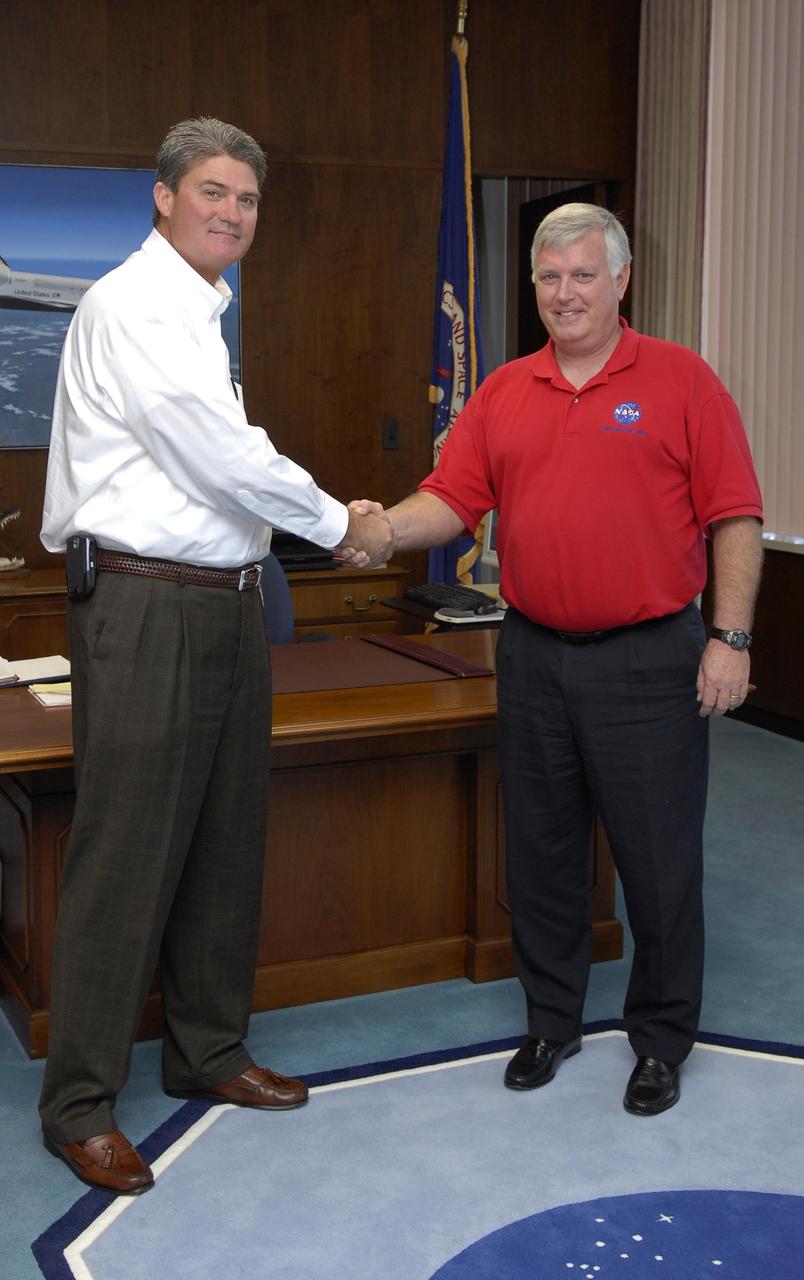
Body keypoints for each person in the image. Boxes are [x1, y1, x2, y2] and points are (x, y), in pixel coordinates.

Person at [39, 116, 393, 1195]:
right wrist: (344, 521)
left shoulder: (200, 312)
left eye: (246, 198)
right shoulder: (136, 304)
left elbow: (220, 473)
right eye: (212, 192)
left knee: (225, 841)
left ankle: (206, 1051)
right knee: (127, 853)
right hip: (149, 606)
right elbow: (218, 453)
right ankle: (81, 1102)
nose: (232, 212)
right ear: (162, 196)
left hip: (230, 602)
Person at [347, 203, 763, 1117]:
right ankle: (552, 1021)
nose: (564, 293)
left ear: (620, 281)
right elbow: (450, 500)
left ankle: (659, 1041)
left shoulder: (683, 381)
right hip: (533, 656)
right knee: (540, 849)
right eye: (548, 277)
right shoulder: (504, 390)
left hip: (651, 660)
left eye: (582, 274)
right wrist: (377, 532)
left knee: (658, 862)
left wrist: (729, 639)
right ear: (533, 287)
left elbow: (735, 515)